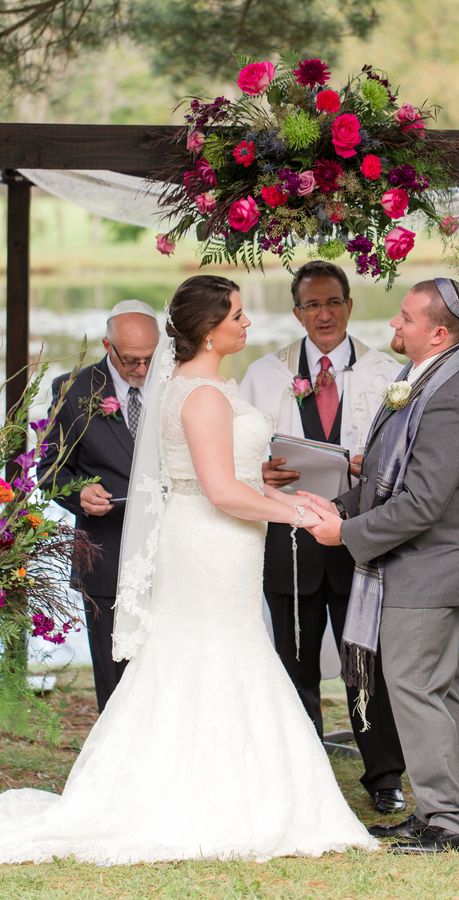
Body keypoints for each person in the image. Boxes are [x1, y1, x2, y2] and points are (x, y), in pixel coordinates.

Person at [0, 275, 377, 865]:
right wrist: (297, 513)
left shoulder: (200, 385)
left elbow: (228, 479)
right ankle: (208, 800)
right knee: (214, 651)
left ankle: (235, 787)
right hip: (209, 543)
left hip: (218, 540)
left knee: (216, 651)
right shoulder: (200, 395)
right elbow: (221, 491)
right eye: (238, 315)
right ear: (208, 328)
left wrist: (284, 498)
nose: (248, 324)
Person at [304, 278, 459, 854]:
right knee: (433, 691)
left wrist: (346, 533)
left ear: (438, 332)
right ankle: (439, 811)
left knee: (418, 691)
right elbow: (400, 472)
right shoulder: (427, 377)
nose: (393, 325)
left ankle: (452, 825)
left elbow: (424, 503)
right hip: (416, 566)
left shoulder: (453, 396)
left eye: (405, 319)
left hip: (427, 569)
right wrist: (346, 497)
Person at [240, 261, 406, 815]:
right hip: (289, 544)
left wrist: (372, 466)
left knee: (366, 663)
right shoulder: (264, 374)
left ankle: (384, 776)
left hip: (360, 539)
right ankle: (302, 775)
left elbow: (408, 457)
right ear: (297, 313)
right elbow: (240, 458)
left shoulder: (388, 375)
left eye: (333, 301)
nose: (324, 314)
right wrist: (262, 472)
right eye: (312, 305)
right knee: (294, 661)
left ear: (350, 304)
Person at [37, 300, 160, 712]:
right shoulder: (73, 391)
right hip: (105, 553)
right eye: (131, 361)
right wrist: (80, 495)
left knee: (165, 666)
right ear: (108, 346)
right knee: (115, 675)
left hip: (169, 550)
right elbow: (50, 473)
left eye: (150, 358)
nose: (143, 370)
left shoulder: (175, 383)